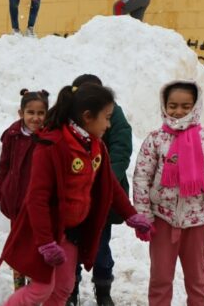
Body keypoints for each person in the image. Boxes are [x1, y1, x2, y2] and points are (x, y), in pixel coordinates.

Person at [0, 83, 152, 305]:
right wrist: (45, 243)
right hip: (44, 231)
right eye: (106, 118)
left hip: (70, 232)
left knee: (63, 288)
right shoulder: (53, 144)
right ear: (88, 116)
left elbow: (110, 185)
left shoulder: (95, 146)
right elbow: (36, 198)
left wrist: (131, 215)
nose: (109, 125)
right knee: (41, 288)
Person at [133, 81, 204, 306]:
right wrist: (143, 217)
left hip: (196, 223)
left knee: (198, 280)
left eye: (185, 106)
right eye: (173, 105)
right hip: (163, 221)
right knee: (160, 279)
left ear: (195, 106)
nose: (178, 111)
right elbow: (141, 179)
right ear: (164, 106)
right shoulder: (155, 139)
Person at [68, 75, 133, 306]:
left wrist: (104, 181)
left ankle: (103, 289)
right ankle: (70, 289)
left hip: (101, 198)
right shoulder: (69, 115)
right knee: (70, 247)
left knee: (100, 246)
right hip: (74, 198)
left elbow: (121, 149)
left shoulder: (113, 113)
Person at [0, 89, 49, 291]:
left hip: (39, 207)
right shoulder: (12, 136)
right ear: (21, 113)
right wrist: (3, 193)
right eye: (30, 112)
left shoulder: (49, 138)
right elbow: (4, 167)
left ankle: (35, 290)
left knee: (37, 249)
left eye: (40, 113)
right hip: (17, 203)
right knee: (18, 247)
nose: (35, 118)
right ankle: (19, 289)